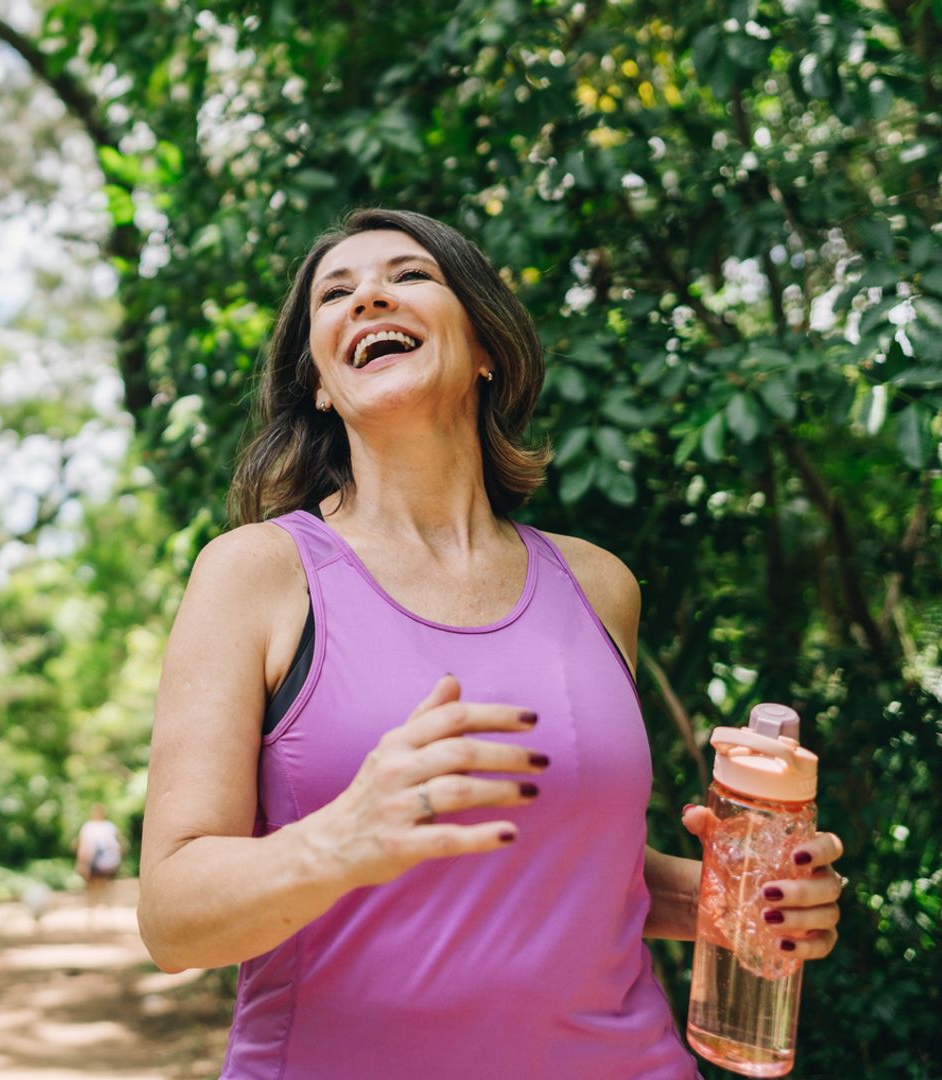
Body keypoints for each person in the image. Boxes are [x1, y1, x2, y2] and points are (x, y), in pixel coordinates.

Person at [137, 209, 848, 1078]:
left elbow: (584, 872)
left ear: (484, 348)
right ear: (321, 383)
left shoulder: (597, 586)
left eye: (408, 276)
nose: (368, 297)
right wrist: (343, 839)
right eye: (336, 293)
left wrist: (740, 898)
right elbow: (172, 920)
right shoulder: (258, 574)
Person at [74, 804, 123, 928]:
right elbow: (118, 844)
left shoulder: (88, 827)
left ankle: (94, 918)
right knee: (106, 889)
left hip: (95, 863)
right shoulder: (110, 826)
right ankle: (106, 918)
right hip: (108, 863)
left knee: (93, 890)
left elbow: (84, 846)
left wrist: (81, 864)